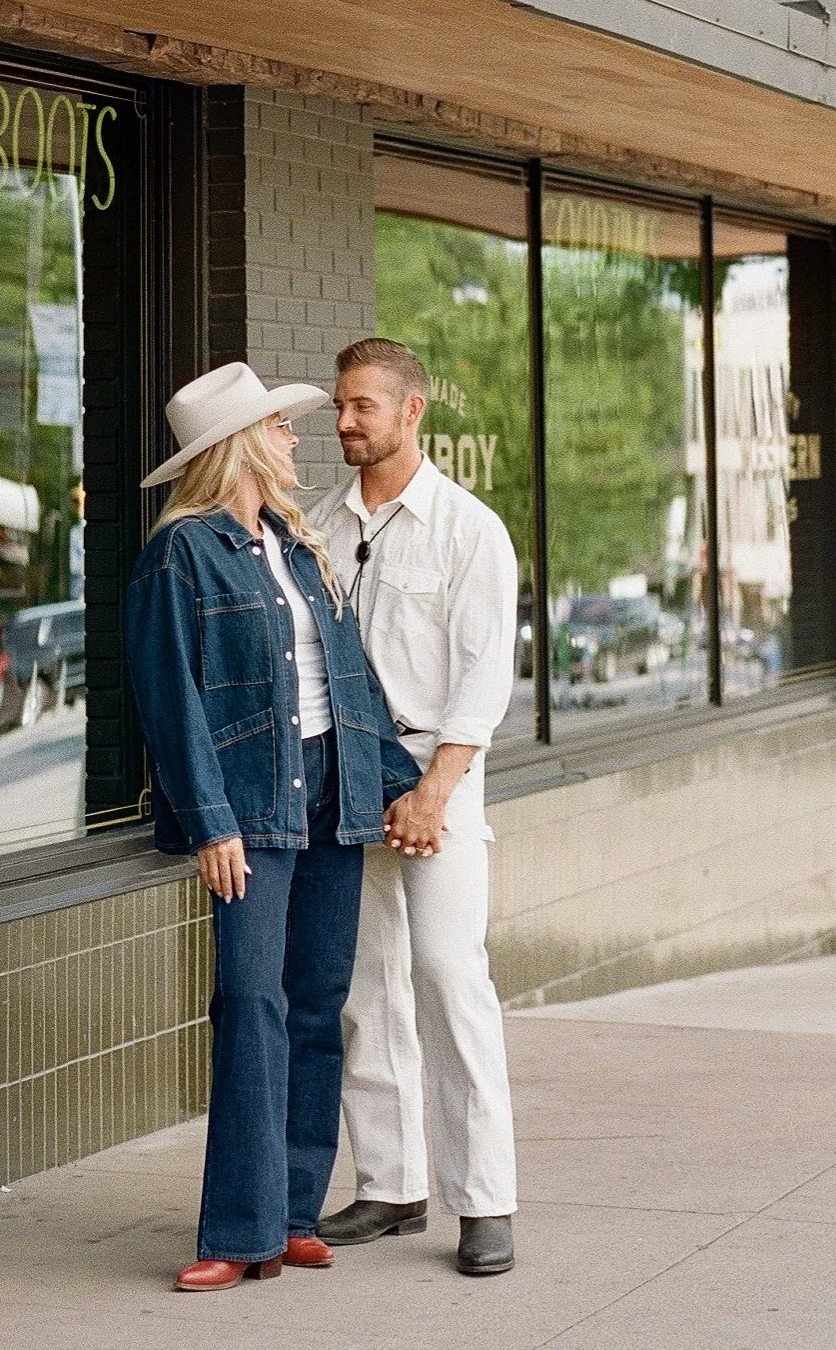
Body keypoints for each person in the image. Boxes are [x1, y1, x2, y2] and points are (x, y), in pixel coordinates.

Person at [124, 360, 424, 1295]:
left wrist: (398, 788)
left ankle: (294, 1214)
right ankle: (237, 1229)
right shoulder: (183, 552)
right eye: (282, 428)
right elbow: (169, 699)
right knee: (250, 1006)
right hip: (250, 810)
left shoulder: (296, 548)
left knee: (314, 1005)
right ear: (241, 446)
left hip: (330, 800)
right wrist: (210, 821)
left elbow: (352, 680)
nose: (298, 438)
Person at [318, 336, 522, 1279]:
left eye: (363, 405)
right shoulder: (317, 524)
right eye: (340, 405)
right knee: (366, 986)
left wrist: (434, 790)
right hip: (347, 775)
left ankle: (484, 1203)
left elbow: (484, 676)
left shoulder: (467, 528)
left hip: (437, 770)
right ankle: (391, 1185)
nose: (346, 421)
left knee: (448, 976)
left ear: (412, 411)